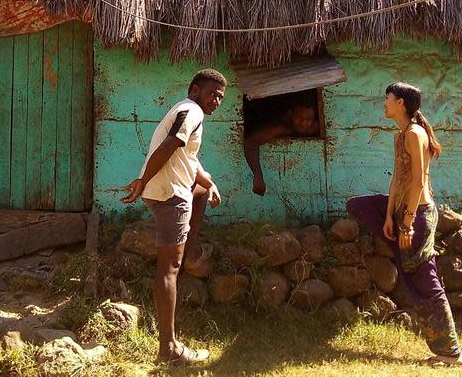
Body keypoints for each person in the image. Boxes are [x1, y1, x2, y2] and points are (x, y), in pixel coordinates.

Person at [346, 82, 462, 366]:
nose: (384, 103)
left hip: (419, 214)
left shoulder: (414, 133)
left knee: (423, 280)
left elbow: (418, 182)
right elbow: (397, 179)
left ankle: (451, 352)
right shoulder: (400, 135)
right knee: (358, 205)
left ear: (401, 103)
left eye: (387, 98)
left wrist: (408, 223)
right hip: (402, 212)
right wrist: (389, 216)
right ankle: (405, 254)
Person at [120, 69, 226, 366]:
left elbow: (188, 158)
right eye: (211, 94)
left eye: (220, 97)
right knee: (168, 270)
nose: (216, 101)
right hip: (170, 196)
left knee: (202, 192)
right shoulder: (191, 111)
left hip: (165, 190)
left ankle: (191, 251)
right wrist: (142, 180)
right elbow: (170, 145)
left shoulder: (185, 110)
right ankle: (169, 349)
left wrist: (209, 182)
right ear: (195, 90)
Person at [244, 104, 320, 196]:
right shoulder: (278, 128)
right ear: (290, 113)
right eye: (299, 117)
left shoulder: (315, 127)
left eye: (308, 119)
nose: (304, 123)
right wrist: (258, 176)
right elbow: (251, 142)